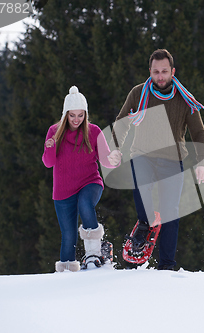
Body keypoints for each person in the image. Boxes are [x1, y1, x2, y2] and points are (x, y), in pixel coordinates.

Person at [110, 49, 204, 270]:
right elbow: (122, 122)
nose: (160, 76)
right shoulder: (138, 94)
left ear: (172, 71)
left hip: (173, 160)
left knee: (170, 212)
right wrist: (116, 149)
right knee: (142, 187)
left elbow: (199, 134)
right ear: (150, 71)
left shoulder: (185, 99)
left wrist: (202, 163)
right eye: (156, 72)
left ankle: (166, 265)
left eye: (165, 71)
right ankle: (145, 224)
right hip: (142, 155)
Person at [42, 86, 120, 272]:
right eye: (72, 116)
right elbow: (48, 162)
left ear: (85, 114)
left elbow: (105, 159)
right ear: (65, 115)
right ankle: (67, 272)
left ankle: (94, 254)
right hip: (63, 191)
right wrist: (50, 147)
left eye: (80, 115)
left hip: (90, 182)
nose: (76, 120)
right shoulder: (54, 131)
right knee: (68, 235)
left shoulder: (93, 131)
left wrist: (114, 160)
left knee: (85, 203)